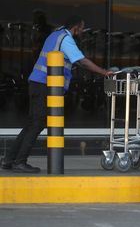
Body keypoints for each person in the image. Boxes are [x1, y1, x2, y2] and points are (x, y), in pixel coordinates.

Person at [0, 15, 113, 173]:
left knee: (32, 123)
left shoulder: (55, 34)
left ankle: (9, 160)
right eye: (81, 28)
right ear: (76, 27)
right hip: (44, 85)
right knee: (38, 123)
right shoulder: (66, 39)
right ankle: (20, 161)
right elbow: (82, 61)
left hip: (37, 83)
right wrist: (103, 72)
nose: (82, 31)